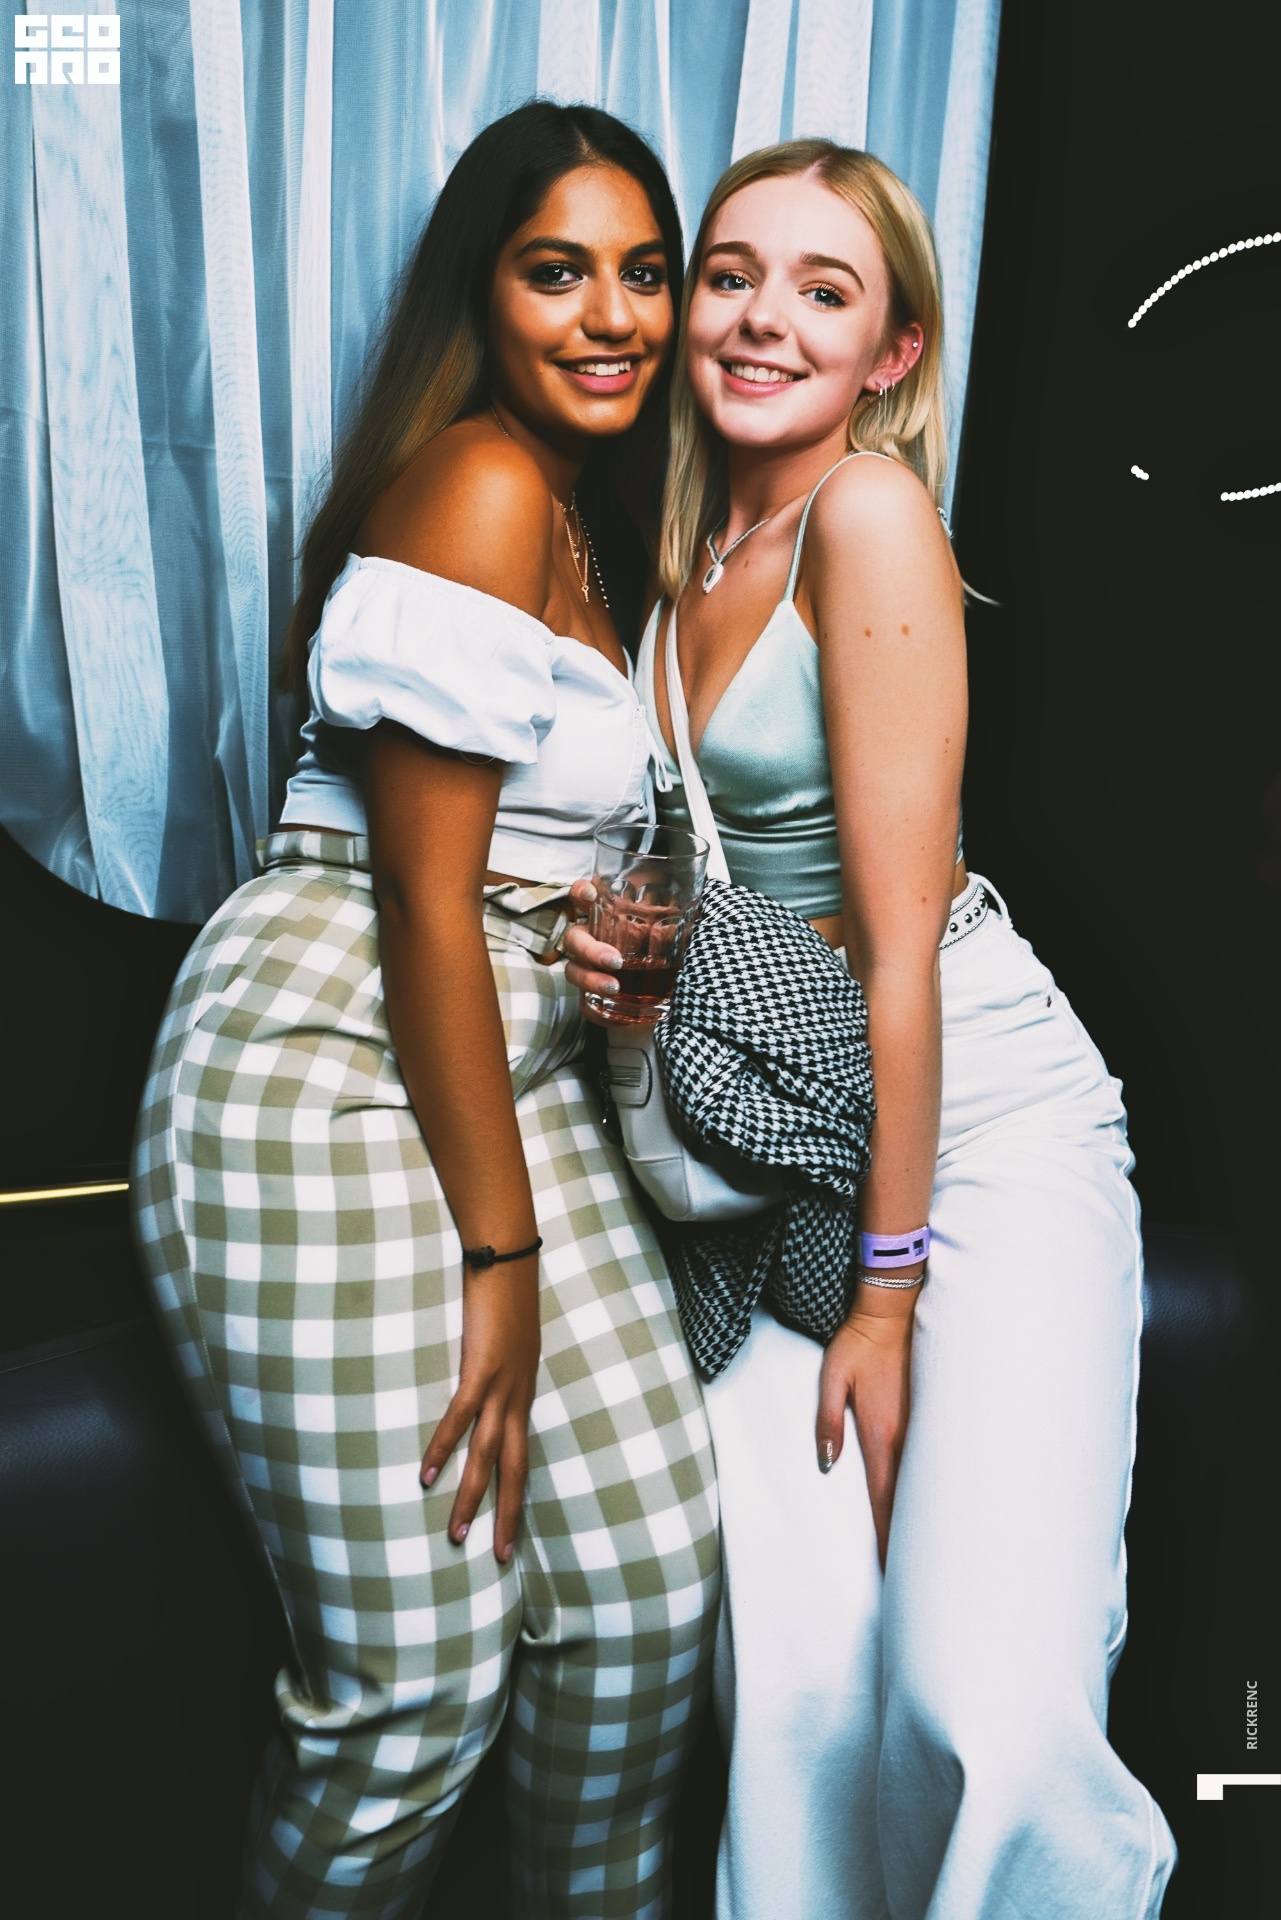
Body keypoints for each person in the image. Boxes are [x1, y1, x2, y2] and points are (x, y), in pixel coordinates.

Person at [566, 140, 1177, 1919]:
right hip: (782, 1136)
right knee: (797, 1707)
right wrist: (624, 960)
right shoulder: (677, 574)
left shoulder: (866, 512)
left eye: (822, 290)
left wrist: (889, 1301)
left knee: (980, 1699)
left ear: (891, 351)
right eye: (731, 274)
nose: (762, 317)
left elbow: (894, 950)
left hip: (967, 1111)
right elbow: (737, 912)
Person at [132, 103, 719, 1920]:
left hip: (509, 1055)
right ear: (483, 291)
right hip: (327, 1052)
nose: (613, 315)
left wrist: (605, 940)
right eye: (558, 271)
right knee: (417, 1684)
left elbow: (511, 879)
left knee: (645, 1598)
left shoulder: (596, 522)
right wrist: (502, 1259)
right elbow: (417, 903)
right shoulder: (477, 482)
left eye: (644, 272)